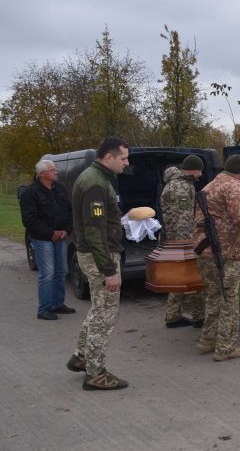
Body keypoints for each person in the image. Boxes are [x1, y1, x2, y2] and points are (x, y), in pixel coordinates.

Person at [65, 137, 130, 391]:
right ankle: (95, 373)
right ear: (108, 157)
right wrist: (109, 271)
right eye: (123, 158)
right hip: (99, 257)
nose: (127, 163)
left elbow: (100, 222)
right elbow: (94, 232)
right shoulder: (95, 183)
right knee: (105, 314)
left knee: (98, 309)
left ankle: (82, 357)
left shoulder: (97, 178)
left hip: (95, 253)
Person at [193, 154, 240, 362]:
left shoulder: (208, 187)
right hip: (225, 252)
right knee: (229, 299)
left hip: (204, 251)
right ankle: (225, 348)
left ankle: (208, 339)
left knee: (213, 296)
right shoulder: (234, 187)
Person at [20, 160, 74, 320]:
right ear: (43, 173)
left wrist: (66, 230)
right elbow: (29, 220)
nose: (56, 172)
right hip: (43, 239)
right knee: (48, 274)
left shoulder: (60, 190)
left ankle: (57, 304)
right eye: (53, 170)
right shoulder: (30, 193)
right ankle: (43, 309)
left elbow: (69, 211)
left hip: (61, 237)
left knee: (61, 271)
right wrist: (51, 233)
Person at [161, 155, 206, 328]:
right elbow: (182, 218)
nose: (201, 174)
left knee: (177, 277)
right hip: (182, 239)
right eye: (199, 170)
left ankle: (173, 315)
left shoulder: (178, 184)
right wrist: (189, 243)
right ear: (192, 168)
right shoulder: (181, 187)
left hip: (175, 239)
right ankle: (199, 316)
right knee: (192, 276)